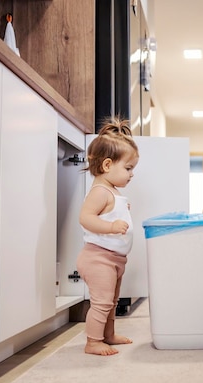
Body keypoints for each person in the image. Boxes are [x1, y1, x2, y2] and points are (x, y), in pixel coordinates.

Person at [76, 117, 139, 356]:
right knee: (102, 302)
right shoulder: (100, 191)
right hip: (98, 258)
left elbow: (107, 214)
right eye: (128, 168)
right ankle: (93, 342)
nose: (132, 174)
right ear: (107, 165)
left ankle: (108, 335)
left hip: (114, 259)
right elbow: (86, 218)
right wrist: (112, 226)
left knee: (112, 301)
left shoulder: (112, 191)